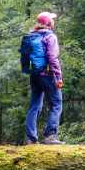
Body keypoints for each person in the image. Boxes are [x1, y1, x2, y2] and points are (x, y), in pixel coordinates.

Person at [20, 11, 64, 145]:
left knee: (35, 105)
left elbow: (25, 57)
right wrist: (58, 76)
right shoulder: (50, 37)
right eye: (51, 19)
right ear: (49, 23)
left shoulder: (31, 36)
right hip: (48, 75)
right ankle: (50, 136)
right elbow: (52, 57)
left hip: (34, 74)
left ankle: (30, 139)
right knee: (56, 104)